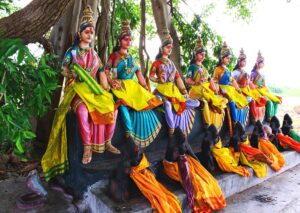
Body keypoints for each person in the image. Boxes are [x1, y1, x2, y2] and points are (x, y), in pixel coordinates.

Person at [42, 6, 119, 182]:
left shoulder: (95, 54)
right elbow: (63, 68)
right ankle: (87, 146)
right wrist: (71, 74)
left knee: (111, 106)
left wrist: (107, 86)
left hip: (92, 91)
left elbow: (101, 73)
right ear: (80, 33)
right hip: (77, 90)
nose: (90, 34)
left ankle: (107, 142)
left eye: (92, 32)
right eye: (87, 31)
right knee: (83, 111)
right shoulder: (73, 51)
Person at [105, 20, 162, 148]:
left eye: (130, 40)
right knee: (122, 103)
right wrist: (111, 82)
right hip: (119, 86)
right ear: (120, 41)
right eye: (126, 39)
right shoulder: (114, 56)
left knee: (147, 102)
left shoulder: (132, 58)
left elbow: (139, 74)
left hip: (133, 87)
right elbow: (107, 72)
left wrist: (146, 87)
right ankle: (128, 133)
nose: (128, 42)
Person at [149, 29, 199, 138]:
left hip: (173, 90)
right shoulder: (156, 63)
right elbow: (151, 76)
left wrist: (184, 91)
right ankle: (172, 129)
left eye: (171, 48)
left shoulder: (172, 64)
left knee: (196, 103)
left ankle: (179, 114)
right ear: (161, 49)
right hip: (161, 91)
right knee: (167, 104)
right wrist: (158, 80)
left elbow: (178, 78)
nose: (170, 49)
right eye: (168, 47)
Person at [185, 36, 227, 130]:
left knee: (217, 101)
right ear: (196, 55)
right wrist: (196, 83)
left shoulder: (204, 68)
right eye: (201, 54)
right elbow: (187, 80)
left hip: (205, 90)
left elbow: (210, 80)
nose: (203, 56)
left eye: (204, 54)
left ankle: (216, 124)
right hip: (196, 91)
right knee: (205, 103)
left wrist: (216, 90)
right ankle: (207, 125)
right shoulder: (192, 67)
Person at [212, 42, 249, 129]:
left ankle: (241, 121)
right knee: (231, 102)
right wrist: (217, 91)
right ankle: (235, 122)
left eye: (229, 58)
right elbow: (215, 81)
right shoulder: (217, 69)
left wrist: (238, 89)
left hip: (230, 89)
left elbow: (232, 80)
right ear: (222, 58)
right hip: (222, 89)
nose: (229, 60)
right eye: (227, 58)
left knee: (241, 99)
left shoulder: (228, 70)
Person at [232, 48, 267, 123]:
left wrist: (248, 84)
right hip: (239, 91)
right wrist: (241, 86)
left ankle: (257, 119)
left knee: (259, 99)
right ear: (239, 61)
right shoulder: (235, 72)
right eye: (244, 61)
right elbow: (232, 83)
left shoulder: (245, 72)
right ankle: (253, 119)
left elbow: (249, 84)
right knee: (251, 100)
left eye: (245, 61)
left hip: (247, 91)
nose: (245, 62)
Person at [250, 51, 282, 121]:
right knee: (269, 102)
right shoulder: (253, 73)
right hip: (255, 91)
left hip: (263, 90)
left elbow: (264, 85)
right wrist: (256, 86)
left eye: (262, 63)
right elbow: (250, 83)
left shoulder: (263, 74)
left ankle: (273, 117)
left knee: (275, 101)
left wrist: (268, 91)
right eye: (260, 63)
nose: (262, 64)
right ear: (257, 63)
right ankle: (269, 117)